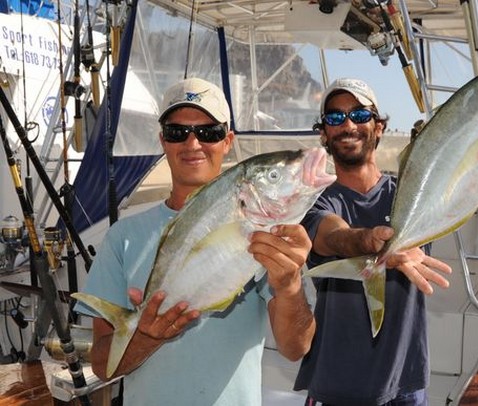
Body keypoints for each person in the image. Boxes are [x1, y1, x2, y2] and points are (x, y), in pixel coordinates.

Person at [293, 78, 478, 406]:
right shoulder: (317, 203)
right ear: (324, 133)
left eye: (360, 115)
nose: (348, 124)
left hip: (407, 381)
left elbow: (463, 178)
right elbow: (333, 236)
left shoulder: (413, 192)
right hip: (340, 386)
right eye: (335, 118)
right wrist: (371, 242)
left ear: (378, 127)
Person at [74, 78, 315, 405]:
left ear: (228, 141)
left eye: (208, 132)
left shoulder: (268, 235)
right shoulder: (122, 237)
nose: (192, 143)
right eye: (177, 132)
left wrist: (289, 286)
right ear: (163, 140)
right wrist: (145, 336)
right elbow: (102, 366)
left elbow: (295, 347)